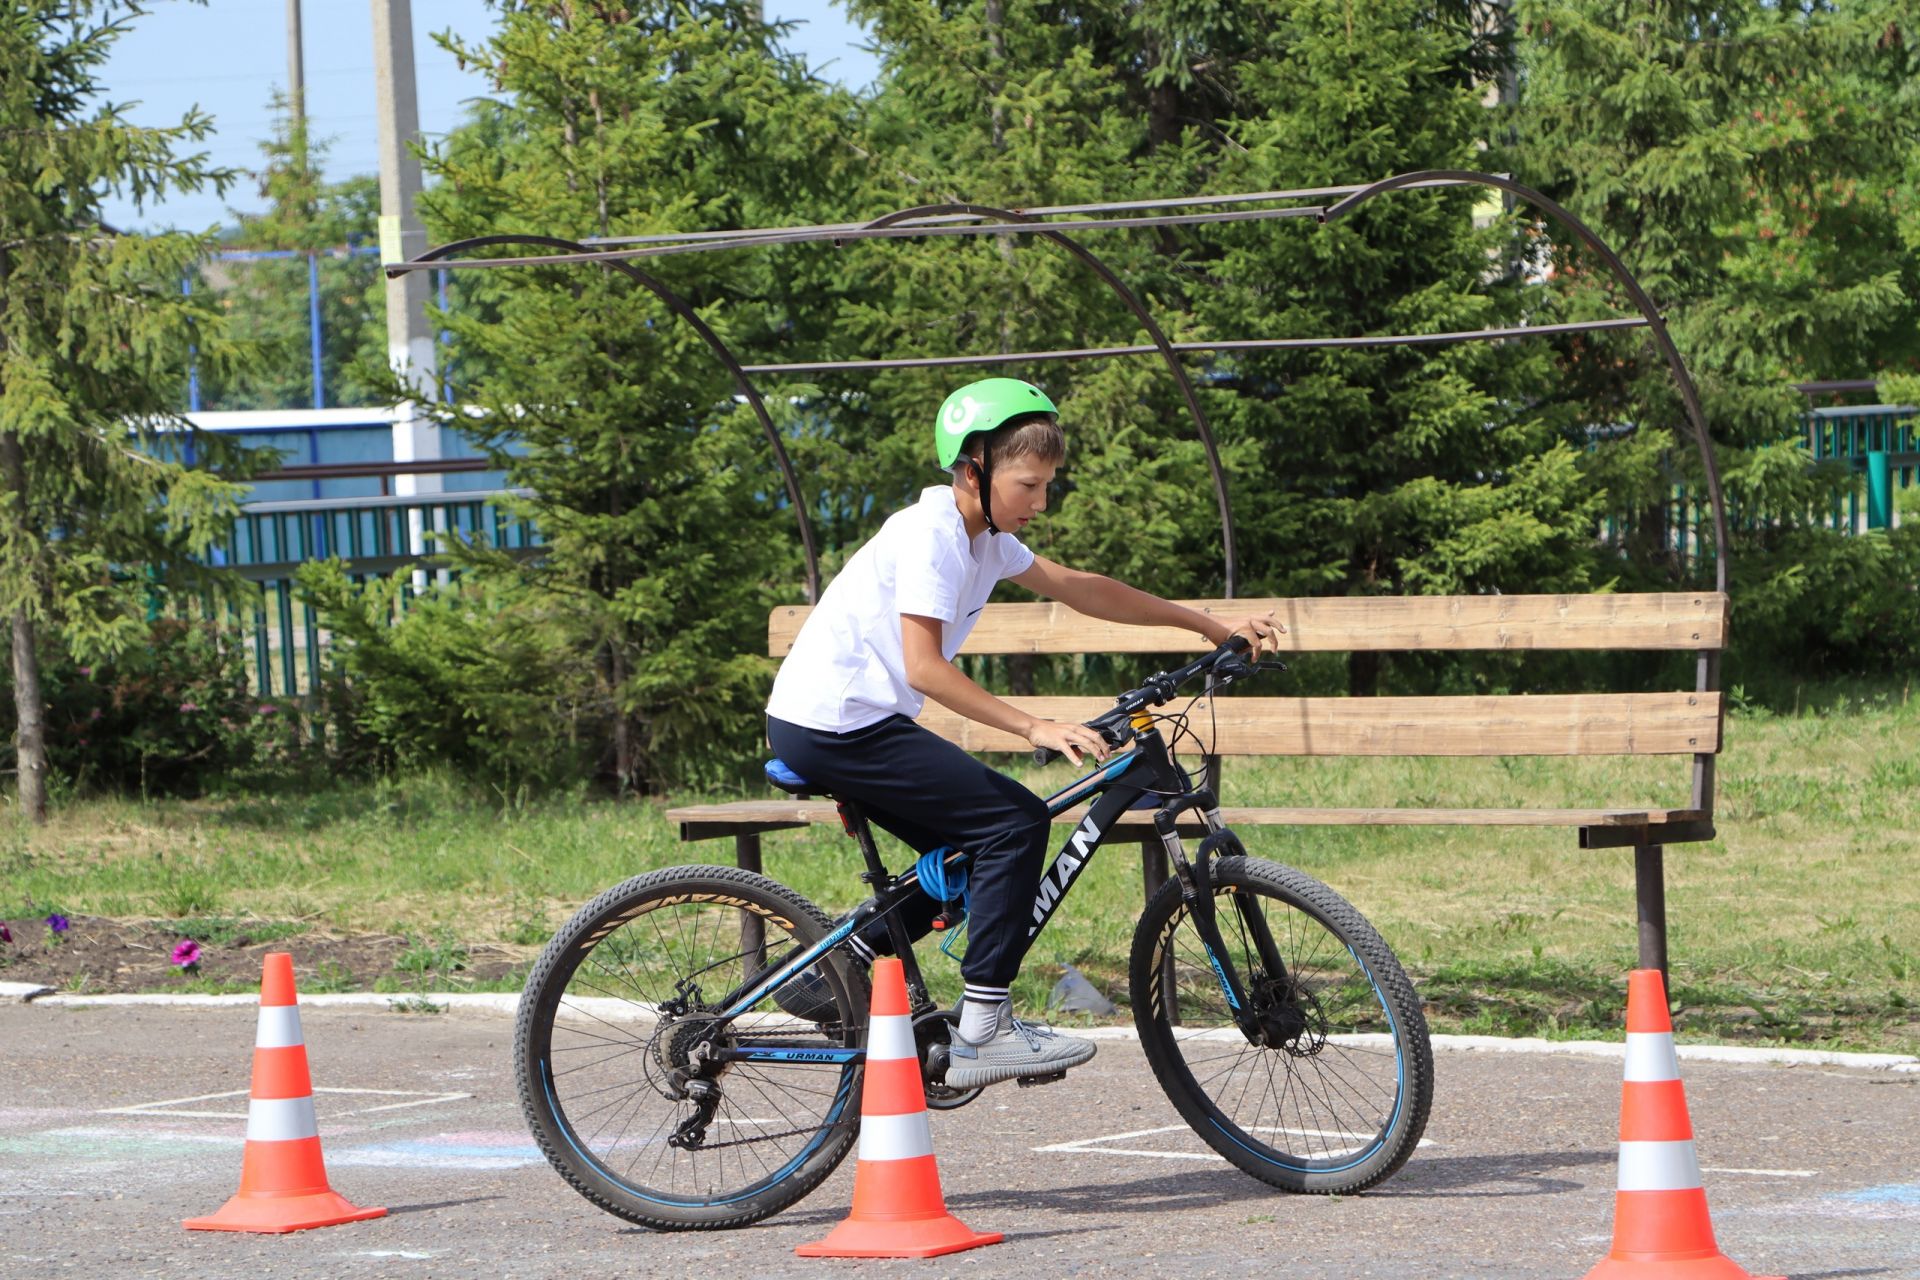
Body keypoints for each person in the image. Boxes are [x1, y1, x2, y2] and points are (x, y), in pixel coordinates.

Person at [765, 376, 1280, 1089]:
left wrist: (1211, 625)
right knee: (1013, 822)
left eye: (1048, 485)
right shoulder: (935, 537)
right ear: (974, 471)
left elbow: (1082, 587)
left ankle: (835, 965)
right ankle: (984, 1030)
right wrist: (1032, 723)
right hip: (835, 725)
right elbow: (924, 669)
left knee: (979, 846)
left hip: (853, 721)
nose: (1041, 502)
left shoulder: (986, 540)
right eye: (1028, 484)